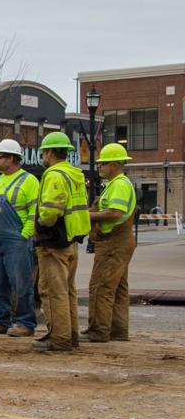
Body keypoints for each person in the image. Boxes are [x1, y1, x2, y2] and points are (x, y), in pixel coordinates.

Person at [32, 131, 90, 352]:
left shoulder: (54, 174)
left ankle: (60, 339)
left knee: (52, 290)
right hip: (70, 239)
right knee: (67, 290)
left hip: (53, 242)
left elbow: (50, 211)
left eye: (43, 152)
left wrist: (41, 222)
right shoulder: (74, 174)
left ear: (49, 152)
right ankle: (70, 336)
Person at [0, 139, 40, 336]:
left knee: (21, 283)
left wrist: (25, 235)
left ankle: (25, 322)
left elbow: (34, 211)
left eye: (1, 157)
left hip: (16, 240)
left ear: (13, 158)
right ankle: (0, 321)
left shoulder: (29, 181)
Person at [84, 142, 138, 342]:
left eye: (103, 164)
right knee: (118, 287)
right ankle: (118, 330)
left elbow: (115, 213)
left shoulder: (120, 185)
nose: (100, 167)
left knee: (101, 286)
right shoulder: (116, 185)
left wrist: (89, 216)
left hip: (113, 243)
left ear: (114, 164)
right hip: (119, 242)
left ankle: (98, 331)